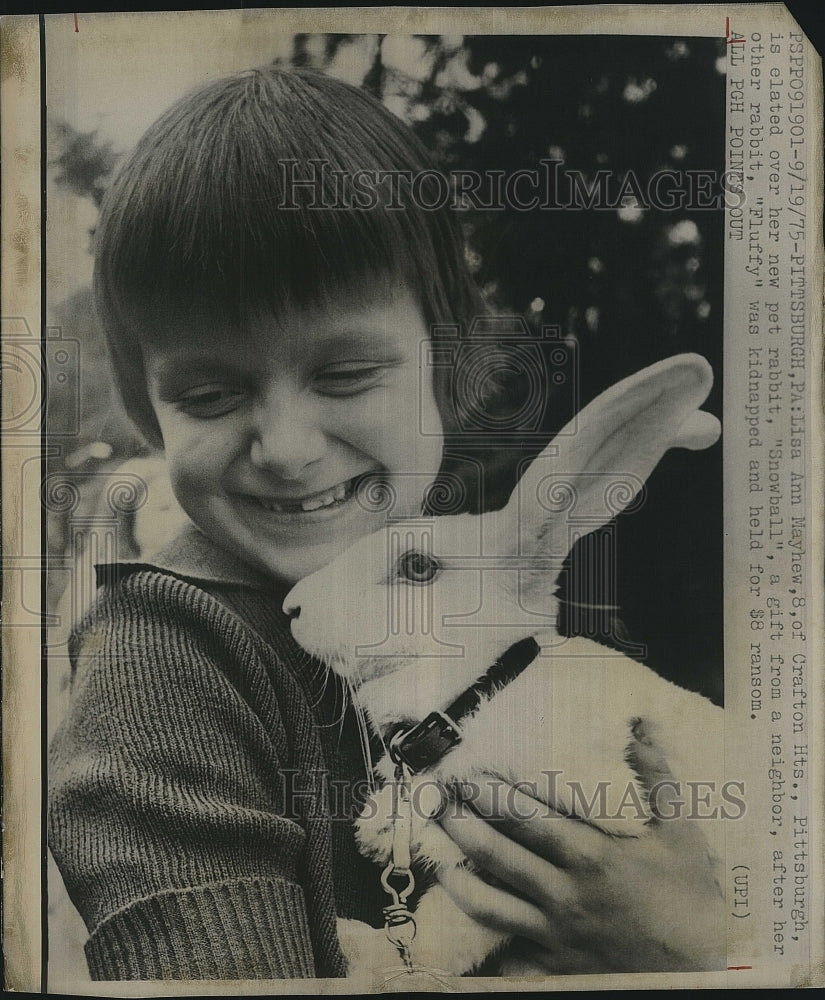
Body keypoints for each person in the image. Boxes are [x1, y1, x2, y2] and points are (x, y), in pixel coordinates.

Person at [48, 66, 724, 981]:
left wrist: (702, 945)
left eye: (345, 375)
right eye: (211, 393)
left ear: (444, 368)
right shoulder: (163, 670)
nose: (286, 448)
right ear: (150, 411)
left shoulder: (469, 588)